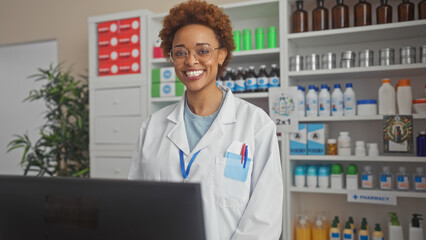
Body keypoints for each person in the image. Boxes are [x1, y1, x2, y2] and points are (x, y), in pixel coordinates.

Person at [128, 1, 283, 239]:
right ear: (172, 59)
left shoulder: (256, 125)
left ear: (221, 55)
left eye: (203, 51)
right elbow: (136, 204)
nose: (191, 61)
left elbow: (265, 217)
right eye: (180, 52)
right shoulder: (152, 127)